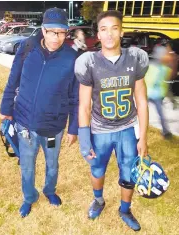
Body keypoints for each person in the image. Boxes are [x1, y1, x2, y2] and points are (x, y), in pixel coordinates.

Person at [0, 8, 79, 217]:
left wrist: (73, 128)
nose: (57, 37)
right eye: (52, 32)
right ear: (43, 30)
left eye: (62, 33)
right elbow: (13, 80)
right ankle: (29, 197)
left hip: (54, 125)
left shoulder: (72, 58)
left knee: (52, 164)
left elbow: (75, 97)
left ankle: (50, 190)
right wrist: (5, 109)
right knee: (27, 165)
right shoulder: (27, 48)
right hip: (24, 121)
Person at [75, 10, 149, 231]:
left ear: (121, 31)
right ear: (98, 34)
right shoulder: (89, 62)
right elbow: (84, 105)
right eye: (104, 29)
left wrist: (143, 136)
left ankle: (125, 209)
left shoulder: (134, 58)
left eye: (114, 29)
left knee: (129, 172)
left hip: (127, 127)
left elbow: (142, 101)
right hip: (100, 129)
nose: (109, 34)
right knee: (97, 169)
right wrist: (84, 136)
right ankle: (98, 200)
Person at [145, 46, 172, 138]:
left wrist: (167, 95)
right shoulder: (151, 66)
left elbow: (165, 84)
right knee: (141, 112)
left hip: (157, 95)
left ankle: (166, 131)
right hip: (148, 93)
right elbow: (145, 79)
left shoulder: (166, 69)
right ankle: (136, 130)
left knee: (160, 114)